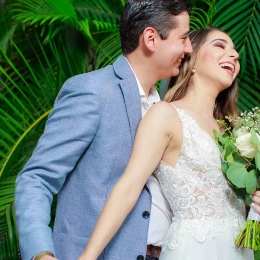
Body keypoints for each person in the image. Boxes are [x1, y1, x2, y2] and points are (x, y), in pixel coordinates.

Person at [14, 1, 193, 260]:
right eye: (184, 38)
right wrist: (41, 254)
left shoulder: (170, 110)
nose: (189, 49)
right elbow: (37, 178)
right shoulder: (92, 91)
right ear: (151, 38)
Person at [79, 27, 258, 260]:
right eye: (220, 45)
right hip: (194, 249)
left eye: (236, 53)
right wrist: (88, 256)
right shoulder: (165, 115)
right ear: (191, 59)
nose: (234, 55)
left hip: (239, 250)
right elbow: (129, 187)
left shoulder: (236, 132)